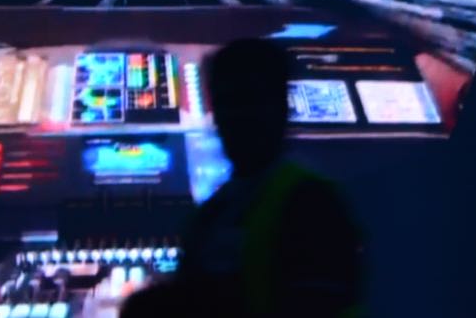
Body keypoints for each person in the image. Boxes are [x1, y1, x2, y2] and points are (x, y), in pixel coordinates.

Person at [122, 38, 363, 318]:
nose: (235, 117)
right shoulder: (210, 215)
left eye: (249, 101)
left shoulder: (314, 205)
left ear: (280, 108)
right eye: (226, 103)